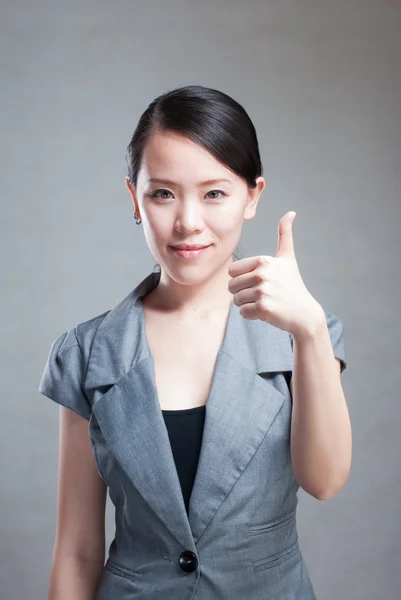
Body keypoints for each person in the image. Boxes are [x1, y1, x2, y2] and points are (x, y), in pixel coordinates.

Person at [38, 84, 348, 600]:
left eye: (214, 193)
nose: (187, 222)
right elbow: (77, 550)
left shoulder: (305, 332)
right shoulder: (87, 352)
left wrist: (310, 330)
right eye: (163, 193)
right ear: (134, 198)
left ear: (253, 196)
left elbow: (325, 480)